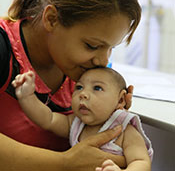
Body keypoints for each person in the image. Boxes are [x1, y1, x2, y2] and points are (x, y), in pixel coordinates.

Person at [0, 0, 141, 170]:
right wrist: (66, 162)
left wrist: (108, 116)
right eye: (91, 45)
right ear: (51, 19)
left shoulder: (85, 70)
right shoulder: (3, 48)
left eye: (111, 48)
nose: (103, 61)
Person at [12, 67, 153, 171]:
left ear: (121, 99)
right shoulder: (76, 123)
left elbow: (141, 161)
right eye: (79, 87)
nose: (83, 94)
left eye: (97, 88)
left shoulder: (123, 129)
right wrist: (27, 96)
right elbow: (47, 119)